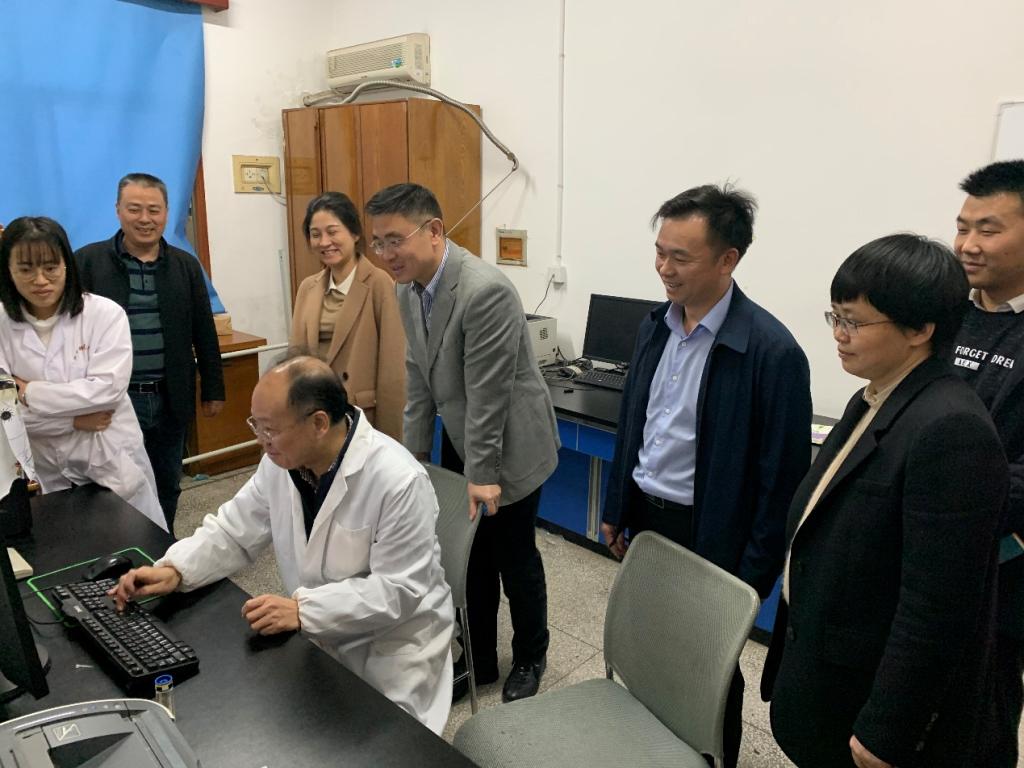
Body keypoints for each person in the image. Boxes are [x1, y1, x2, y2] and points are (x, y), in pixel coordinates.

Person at [762, 234, 1007, 768]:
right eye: (836, 316)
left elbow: (937, 608)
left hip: (867, 699)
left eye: (853, 321)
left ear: (920, 330)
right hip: (825, 668)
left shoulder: (951, 430)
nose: (838, 334)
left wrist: (887, 729)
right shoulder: (875, 395)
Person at [110, 355, 455, 733]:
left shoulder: (398, 480)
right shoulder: (283, 462)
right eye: (255, 424)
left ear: (319, 423)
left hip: (392, 650)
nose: (260, 440)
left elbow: (398, 590)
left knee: (380, 747)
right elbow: (234, 530)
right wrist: (176, 569)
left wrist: (304, 611)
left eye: (270, 429)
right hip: (320, 635)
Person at [600, 184, 811, 767]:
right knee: (650, 650)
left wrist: (752, 578)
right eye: (659, 252)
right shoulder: (655, 326)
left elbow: (781, 481)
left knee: (710, 668)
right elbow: (635, 423)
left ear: (727, 259)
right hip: (649, 517)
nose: (664, 268)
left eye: (681, 257)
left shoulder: (772, 352)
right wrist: (617, 505)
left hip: (713, 533)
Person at [365, 183, 559, 703]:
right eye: (377, 243)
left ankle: (531, 655)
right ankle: (478, 659)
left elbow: (489, 397)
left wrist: (483, 476)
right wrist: (412, 458)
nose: (385, 254)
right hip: (462, 432)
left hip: (510, 443)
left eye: (394, 240)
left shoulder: (484, 291)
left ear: (433, 231)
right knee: (469, 559)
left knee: (514, 556)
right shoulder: (408, 288)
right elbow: (417, 374)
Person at [75, 172, 224, 532]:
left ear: (167, 213)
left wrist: (213, 389)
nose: (145, 219)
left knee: (167, 481)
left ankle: (161, 543)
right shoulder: (88, 262)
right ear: (118, 210)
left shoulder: (185, 265)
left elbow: (204, 330)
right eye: (135, 209)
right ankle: (121, 547)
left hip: (170, 396)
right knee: (116, 485)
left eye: (154, 210)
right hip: (115, 401)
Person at [0, 216, 164, 529]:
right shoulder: (2, 324)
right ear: (8, 270)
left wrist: (29, 392)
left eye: (51, 267)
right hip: (48, 470)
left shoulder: (104, 314)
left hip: (110, 460)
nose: (40, 280)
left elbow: (107, 391)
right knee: (67, 545)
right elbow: (5, 419)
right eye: (26, 269)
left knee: (137, 543)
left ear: (67, 265)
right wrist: (73, 421)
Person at [951, 159, 1024, 767]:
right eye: (962, 226)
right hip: (913, 558)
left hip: (1000, 574)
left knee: (978, 726)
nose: (968, 244)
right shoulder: (943, 310)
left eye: (988, 229)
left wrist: (941, 503)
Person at [289, 191, 405, 440]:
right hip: (316, 411)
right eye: (315, 234)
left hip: (359, 414)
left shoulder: (379, 284)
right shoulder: (308, 287)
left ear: (354, 233)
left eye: (333, 232)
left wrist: (391, 436)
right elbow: (296, 356)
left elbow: (393, 369)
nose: (324, 242)